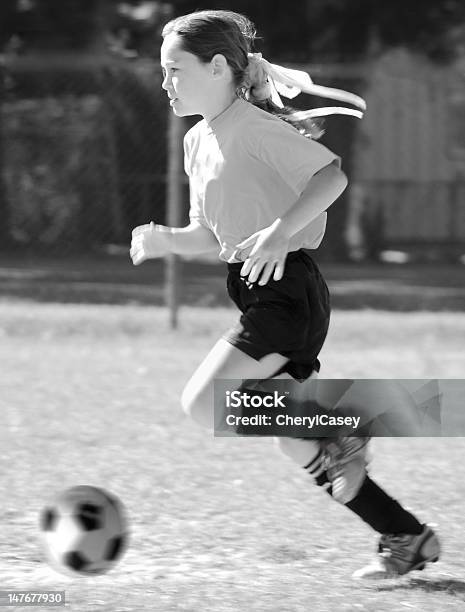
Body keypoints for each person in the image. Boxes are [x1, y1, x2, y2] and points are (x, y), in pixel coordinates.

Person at [130, 9, 440, 579]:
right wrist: (167, 240)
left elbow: (332, 177)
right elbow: (213, 232)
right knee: (294, 443)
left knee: (205, 403)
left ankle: (342, 423)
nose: (166, 82)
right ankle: (405, 536)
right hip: (254, 291)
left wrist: (277, 233)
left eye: (176, 69)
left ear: (219, 67)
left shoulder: (252, 126)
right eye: (164, 71)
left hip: (287, 291)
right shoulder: (198, 139)